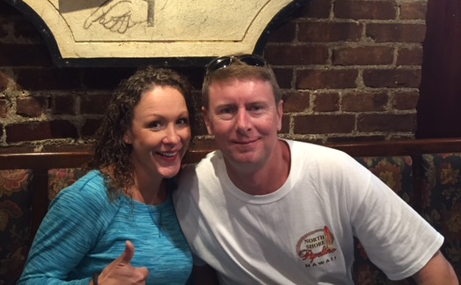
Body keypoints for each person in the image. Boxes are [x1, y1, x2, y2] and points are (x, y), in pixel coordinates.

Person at [173, 55, 459, 285]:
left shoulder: (334, 171)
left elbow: (433, 268)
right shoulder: (190, 189)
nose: (244, 124)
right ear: (207, 121)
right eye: (227, 111)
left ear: (279, 115)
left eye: (257, 108)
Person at [18, 67, 197, 285]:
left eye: (181, 121)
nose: (173, 138)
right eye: (155, 124)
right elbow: (31, 281)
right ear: (126, 133)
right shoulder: (89, 198)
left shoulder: (180, 190)